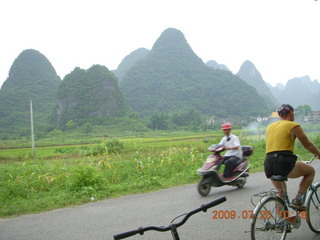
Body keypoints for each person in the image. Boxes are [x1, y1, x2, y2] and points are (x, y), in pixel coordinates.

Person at [264, 104, 320, 210]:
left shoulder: (269, 127)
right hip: (283, 163)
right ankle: (298, 200)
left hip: (269, 164)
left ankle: (281, 224)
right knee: (311, 171)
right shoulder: (293, 125)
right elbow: (308, 145)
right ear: (291, 113)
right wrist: (318, 153)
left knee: (281, 195)